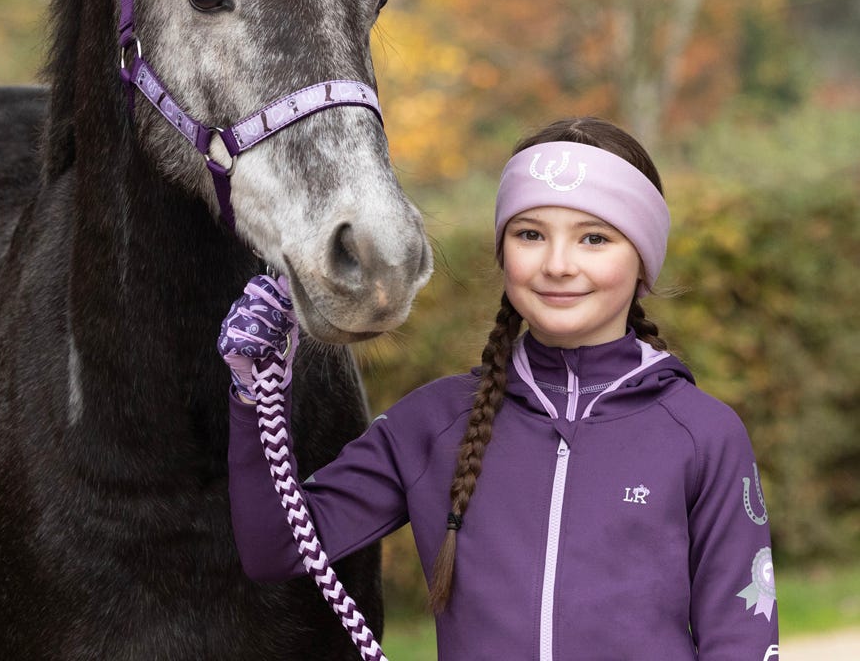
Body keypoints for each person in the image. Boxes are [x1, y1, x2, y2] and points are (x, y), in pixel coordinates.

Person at [219, 116, 778, 661]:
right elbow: (277, 547)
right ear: (503, 252)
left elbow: (741, 641)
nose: (558, 264)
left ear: (643, 261)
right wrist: (254, 393)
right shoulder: (432, 424)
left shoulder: (704, 434)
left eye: (594, 238)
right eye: (530, 234)